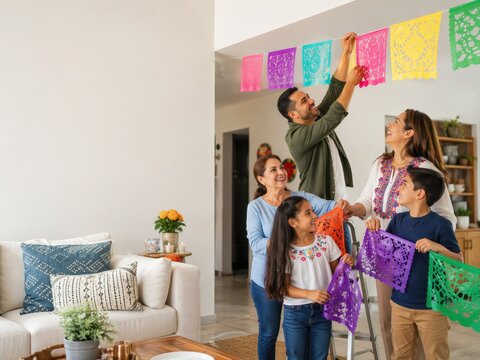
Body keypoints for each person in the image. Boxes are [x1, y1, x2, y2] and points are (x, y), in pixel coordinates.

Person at [346, 109, 456, 359]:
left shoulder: (426, 170)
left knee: (419, 323)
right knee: (388, 321)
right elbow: (367, 200)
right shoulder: (380, 163)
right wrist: (353, 209)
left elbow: (445, 217)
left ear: (409, 133)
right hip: (384, 251)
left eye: (396, 122)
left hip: (417, 259)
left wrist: (426, 240)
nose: (390, 125)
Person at [246, 154, 348, 360]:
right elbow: (255, 244)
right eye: (273, 170)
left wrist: (342, 205)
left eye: (281, 167)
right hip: (267, 279)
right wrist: (282, 238)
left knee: (296, 335)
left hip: (300, 278)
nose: (281, 172)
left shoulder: (300, 199)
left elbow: (330, 206)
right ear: (261, 179)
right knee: (269, 333)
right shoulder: (255, 207)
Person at [365, 166, 462, 360]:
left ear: (420, 193)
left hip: (433, 309)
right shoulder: (398, 221)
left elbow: (458, 260)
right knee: (400, 356)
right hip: (400, 305)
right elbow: (382, 258)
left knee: (436, 355)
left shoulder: (440, 225)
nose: (399, 187)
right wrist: (374, 233)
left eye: (404, 184)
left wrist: (437, 247)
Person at [277, 32, 366, 201]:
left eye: (308, 96)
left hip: (338, 205)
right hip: (316, 209)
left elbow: (334, 91)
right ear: (293, 114)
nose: (311, 101)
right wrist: (351, 84)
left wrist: (346, 52)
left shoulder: (315, 118)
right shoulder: (295, 137)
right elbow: (333, 117)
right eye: (304, 101)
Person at [264, 196, 354, 360]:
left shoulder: (326, 242)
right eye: (308, 213)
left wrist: (347, 263)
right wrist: (310, 294)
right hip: (295, 314)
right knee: (296, 357)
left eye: (312, 210)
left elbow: (339, 276)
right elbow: (282, 288)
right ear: (293, 223)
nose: (314, 215)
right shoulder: (285, 250)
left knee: (320, 357)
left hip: (322, 312)